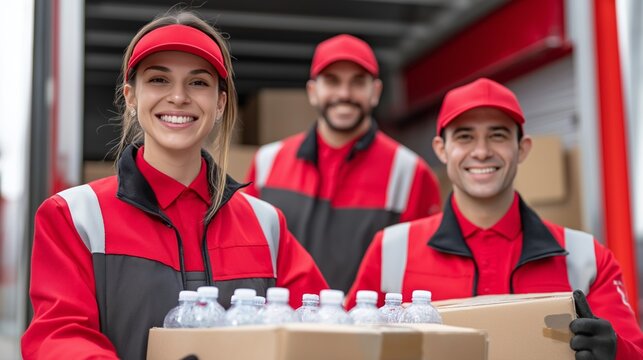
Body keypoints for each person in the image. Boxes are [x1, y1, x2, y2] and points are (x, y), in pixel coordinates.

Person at [22, 11, 328, 360]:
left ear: (220, 103)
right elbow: (59, 339)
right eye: (158, 80)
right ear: (132, 96)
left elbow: (321, 328)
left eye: (198, 83)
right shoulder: (74, 217)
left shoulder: (267, 224)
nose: (179, 97)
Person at [347, 78, 643, 359]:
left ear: (522, 148)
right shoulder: (390, 250)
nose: (481, 151)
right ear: (441, 149)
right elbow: (346, 346)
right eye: (465, 136)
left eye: (497, 135)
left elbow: (635, 353)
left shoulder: (588, 258)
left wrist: (616, 352)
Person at [244, 34, 442, 292]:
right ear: (313, 92)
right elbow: (249, 255)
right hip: (283, 325)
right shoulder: (267, 163)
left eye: (358, 82)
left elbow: (421, 273)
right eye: (332, 81)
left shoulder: (410, 173)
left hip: (369, 330)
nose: (344, 94)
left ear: (376, 92)